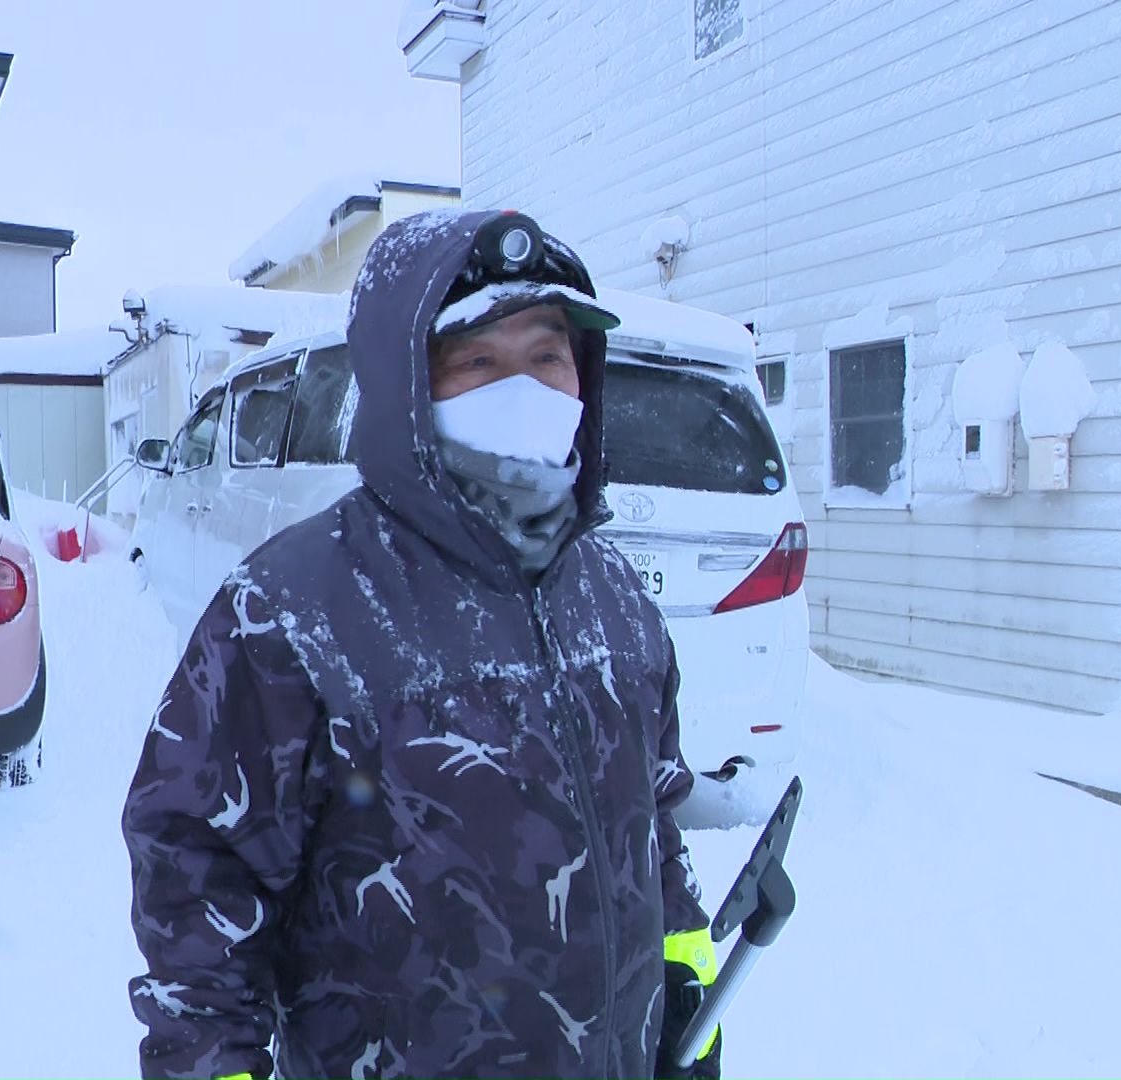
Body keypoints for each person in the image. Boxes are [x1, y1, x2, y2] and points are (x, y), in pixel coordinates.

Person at [123, 209, 721, 1080]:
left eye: (547, 356)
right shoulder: (292, 612)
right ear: (407, 383)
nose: (524, 390)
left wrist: (685, 983)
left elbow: (651, 824)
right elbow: (196, 881)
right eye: (479, 362)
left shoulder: (615, 599)